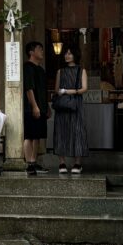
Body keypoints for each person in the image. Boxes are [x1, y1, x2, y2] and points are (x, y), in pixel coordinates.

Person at [53, 46, 88, 174]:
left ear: (75, 55)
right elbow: (56, 89)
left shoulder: (81, 70)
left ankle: (77, 163)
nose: (67, 56)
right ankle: (61, 163)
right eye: (66, 53)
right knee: (61, 131)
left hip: (76, 104)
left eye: (70, 53)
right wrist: (61, 92)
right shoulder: (60, 71)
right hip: (63, 105)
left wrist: (67, 91)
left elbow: (84, 88)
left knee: (77, 132)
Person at [23, 40, 49, 175]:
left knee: (37, 136)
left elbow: (44, 90)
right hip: (30, 107)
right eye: (39, 49)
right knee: (29, 136)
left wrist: (46, 107)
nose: (42, 51)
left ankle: (34, 161)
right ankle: (28, 163)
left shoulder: (41, 69)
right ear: (31, 52)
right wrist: (34, 106)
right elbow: (29, 88)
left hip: (41, 106)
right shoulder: (28, 67)